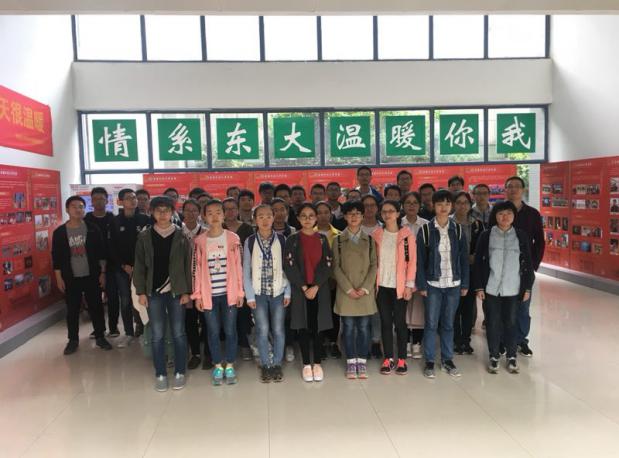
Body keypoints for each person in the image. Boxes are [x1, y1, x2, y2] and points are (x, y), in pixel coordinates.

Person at [133, 196, 192, 392]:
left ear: (172, 212)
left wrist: (187, 291)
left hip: (177, 292)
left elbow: (188, 265)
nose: (163, 214)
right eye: (158, 210)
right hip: (153, 293)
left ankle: (180, 371)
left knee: (178, 333)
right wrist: (141, 292)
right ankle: (160, 373)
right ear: (152, 212)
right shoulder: (145, 236)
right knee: (157, 334)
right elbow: (139, 266)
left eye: (166, 210)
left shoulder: (181, 235)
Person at [473, 201, 535, 374]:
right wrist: (479, 287)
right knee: (492, 323)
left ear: (514, 216)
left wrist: (527, 288)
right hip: (491, 288)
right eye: (501, 213)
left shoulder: (521, 236)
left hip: (513, 288)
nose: (505, 217)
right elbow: (478, 263)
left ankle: (512, 356)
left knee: (511, 322)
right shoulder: (486, 235)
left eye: (508, 213)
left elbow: (528, 263)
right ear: (495, 216)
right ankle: (494, 356)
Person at [416, 190, 469, 379]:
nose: (443, 207)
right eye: (439, 204)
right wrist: (422, 285)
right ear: (433, 206)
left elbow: (463, 259)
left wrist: (465, 283)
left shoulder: (458, 230)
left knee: (448, 324)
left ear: (451, 206)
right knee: (431, 324)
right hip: (432, 284)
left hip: (453, 283)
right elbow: (420, 261)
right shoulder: (425, 230)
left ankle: (447, 359)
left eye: (447, 203)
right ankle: (430, 361)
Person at [192, 199, 245, 386]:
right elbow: (196, 270)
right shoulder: (199, 241)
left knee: (230, 330)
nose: (214, 216)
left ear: (224, 215)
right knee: (213, 331)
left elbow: (239, 266)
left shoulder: (233, 238)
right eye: (210, 213)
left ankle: (229, 364)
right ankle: (217, 365)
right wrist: (197, 295)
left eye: (218, 212)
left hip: (229, 294)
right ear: (204, 217)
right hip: (209, 295)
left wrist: (240, 292)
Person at [53, 196, 112, 355]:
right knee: (72, 310)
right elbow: (56, 258)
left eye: (81, 206)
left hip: (91, 275)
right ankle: (73, 340)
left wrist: (102, 273)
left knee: (96, 307)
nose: (78, 209)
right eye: (74, 206)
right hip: (70, 277)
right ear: (67, 209)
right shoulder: (60, 232)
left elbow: (101, 253)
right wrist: (58, 278)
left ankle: (100, 336)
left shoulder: (92, 229)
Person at [283, 203, 333, 382]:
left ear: (316, 218)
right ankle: (306, 364)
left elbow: (328, 264)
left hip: (320, 288)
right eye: (303, 216)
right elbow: (289, 266)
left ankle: (317, 363)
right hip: (300, 289)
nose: (307, 219)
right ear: (297, 218)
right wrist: (304, 287)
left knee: (318, 325)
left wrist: (316, 286)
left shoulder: (322, 239)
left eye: (311, 215)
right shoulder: (292, 239)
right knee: (302, 326)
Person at [243, 205, 291, 383]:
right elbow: (245, 270)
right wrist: (249, 295)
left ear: (274, 217)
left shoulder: (282, 240)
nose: (265, 220)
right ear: (255, 219)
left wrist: (287, 292)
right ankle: (265, 364)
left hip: (278, 292)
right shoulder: (249, 241)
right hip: (258, 293)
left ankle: (277, 363)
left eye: (268, 216)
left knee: (278, 329)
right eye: (261, 216)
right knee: (262, 330)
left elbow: (287, 268)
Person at [332, 201, 377, 379]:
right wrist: (348, 289)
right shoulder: (338, 241)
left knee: (364, 328)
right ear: (344, 216)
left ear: (363, 216)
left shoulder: (370, 240)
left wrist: (365, 288)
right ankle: (351, 361)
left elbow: (374, 265)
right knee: (348, 328)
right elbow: (335, 267)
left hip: (365, 292)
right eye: (350, 213)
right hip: (346, 292)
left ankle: (362, 360)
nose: (354, 216)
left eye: (358, 213)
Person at [372, 200, 416, 375]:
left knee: (400, 323)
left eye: (391, 211)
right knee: (385, 322)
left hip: (400, 287)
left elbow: (412, 262)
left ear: (398, 213)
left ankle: (402, 359)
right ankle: (388, 358)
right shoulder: (376, 235)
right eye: (384, 211)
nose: (387, 214)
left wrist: (409, 285)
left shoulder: (407, 235)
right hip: (382, 286)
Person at [505, 175, 544, 357]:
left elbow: (539, 242)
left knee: (523, 306)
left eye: (517, 186)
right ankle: (504, 340)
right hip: (503, 268)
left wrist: (533, 265)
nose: (513, 189)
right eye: (510, 186)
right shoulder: (500, 211)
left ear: (523, 190)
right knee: (504, 307)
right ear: (505, 190)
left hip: (525, 269)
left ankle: (521, 340)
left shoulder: (533, 214)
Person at [114, 188, 150, 346]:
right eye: (129, 198)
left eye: (134, 197)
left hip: (142, 268)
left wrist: (139, 266)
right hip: (122, 269)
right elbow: (111, 247)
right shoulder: (115, 221)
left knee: (143, 298)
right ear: (120, 201)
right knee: (126, 300)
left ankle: (144, 328)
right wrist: (124, 266)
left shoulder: (145, 220)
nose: (133, 200)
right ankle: (128, 332)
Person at [450, 191, 486, 355]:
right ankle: (456, 340)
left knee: (468, 307)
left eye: (465, 202)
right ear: (453, 205)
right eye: (458, 202)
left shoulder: (477, 224)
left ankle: (466, 340)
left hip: (471, 271)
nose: (462, 206)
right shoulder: (447, 223)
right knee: (454, 308)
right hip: (451, 271)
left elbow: (483, 247)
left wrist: (475, 257)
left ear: (470, 205)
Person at [222, 197, 254, 362]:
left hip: (243, 276)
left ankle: (244, 344)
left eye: (233, 208)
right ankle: (230, 347)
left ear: (238, 210)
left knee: (243, 312)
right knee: (227, 313)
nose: (230, 212)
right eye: (226, 209)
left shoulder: (247, 228)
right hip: (222, 277)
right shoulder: (219, 228)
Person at [85, 187, 119, 338]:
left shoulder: (113, 219)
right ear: (91, 201)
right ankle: (98, 328)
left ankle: (113, 327)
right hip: (91, 265)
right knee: (94, 299)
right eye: (95, 199)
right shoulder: (86, 220)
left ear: (107, 201)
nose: (98, 201)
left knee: (112, 297)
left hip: (111, 264)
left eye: (101, 199)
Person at [180, 199, 210, 370]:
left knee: (207, 320)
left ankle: (208, 354)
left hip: (205, 285)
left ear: (199, 213)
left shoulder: (206, 233)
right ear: (182, 212)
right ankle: (195, 354)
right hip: (186, 285)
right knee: (189, 320)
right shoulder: (178, 233)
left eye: (194, 211)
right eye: (188, 210)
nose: (191, 214)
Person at [401, 191, 429, 360]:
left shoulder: (426, 225)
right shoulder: (398, 223)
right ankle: (405, 342)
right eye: (408, 202)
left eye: (415, 203)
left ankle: (417, 343)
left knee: (419, 310)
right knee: (402, 309)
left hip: (420, 273)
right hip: (401, 274)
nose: (411, 206)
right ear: (403, 206)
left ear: (420, 205)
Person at [315, 201, 342, 359]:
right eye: (319, 212)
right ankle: (320, 343)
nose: (323, 216)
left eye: (326, 212)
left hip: (333, 281)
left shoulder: (339, 234)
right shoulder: (308, 233)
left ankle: (333, 342)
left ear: (331, 215)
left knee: (334, 312)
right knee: (318, 313)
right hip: (315, 282)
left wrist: (334, 278)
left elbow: (339, 260)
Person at [360, 194, 383, 359]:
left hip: (380, 277)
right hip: (359, 277)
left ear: (377, 208)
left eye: (372, 205)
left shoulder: (383, 228)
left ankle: (376, 341)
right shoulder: (355, 227)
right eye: (365, 205)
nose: (369, 209)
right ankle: (364, 343)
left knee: (377, 312)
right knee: (363, 312)